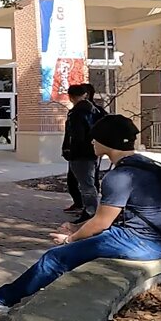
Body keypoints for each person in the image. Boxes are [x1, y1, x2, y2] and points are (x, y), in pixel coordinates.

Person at [0, 114, 161, 313]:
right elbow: (111, 216)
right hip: (155, 239)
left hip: (140, 243)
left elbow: (101, 223)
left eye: (95, 137)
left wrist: (70, 239)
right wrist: (77, 227)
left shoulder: (120, 176)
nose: (91, 141)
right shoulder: (145, 164)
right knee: (75, 249)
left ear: (106, 141)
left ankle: (1, 300)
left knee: (56, 257)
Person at [62, 84, 104, 223]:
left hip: (81, 153)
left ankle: (90, 212)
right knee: (88, 182)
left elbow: (76, 135)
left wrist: (70, 148)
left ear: (71, 96)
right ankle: (89, 209)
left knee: (86, 184)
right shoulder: (95, 111)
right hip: (92, 151)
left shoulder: (77, 113)